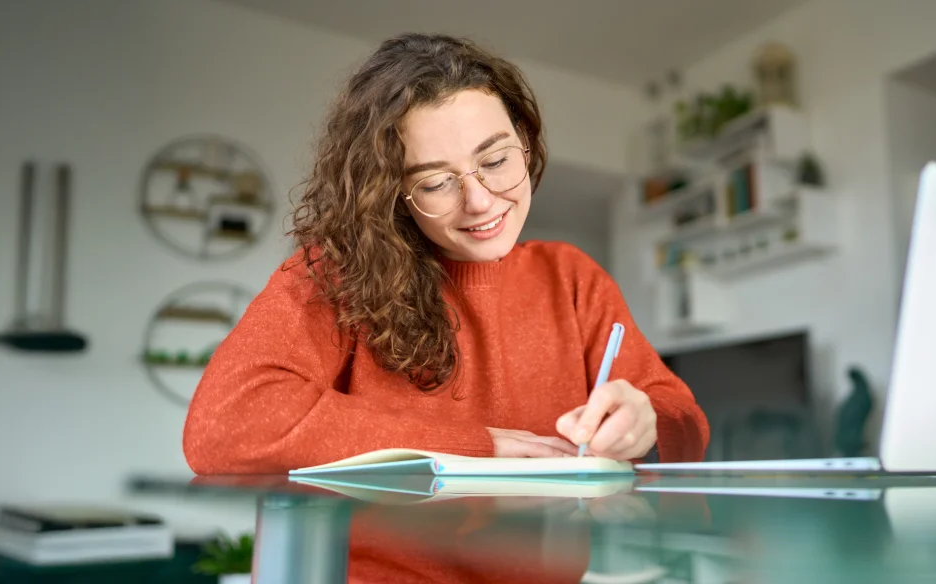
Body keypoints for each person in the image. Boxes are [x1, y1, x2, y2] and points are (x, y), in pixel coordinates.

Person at [182, 32, 709, 475]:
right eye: (435, 182)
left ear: (524, 139)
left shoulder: (571, 279)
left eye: (497, 159)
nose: (480, 201)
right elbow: (225, 424)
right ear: (390, 191)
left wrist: (646, 421)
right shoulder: (336, 272)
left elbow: (683, 420)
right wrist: (479, 447)